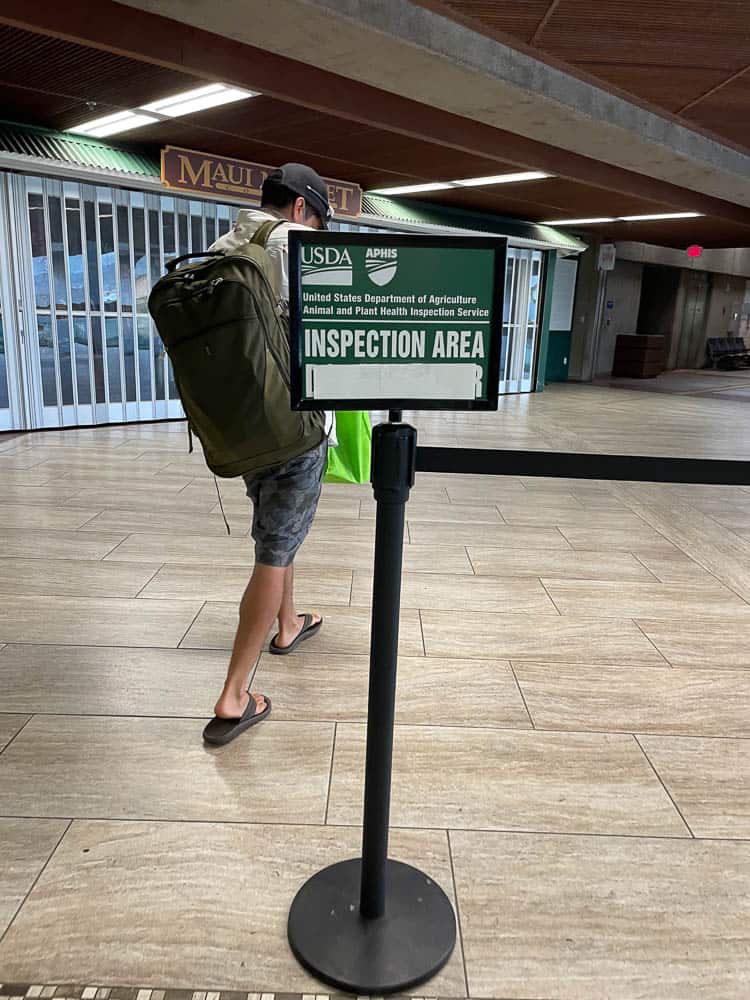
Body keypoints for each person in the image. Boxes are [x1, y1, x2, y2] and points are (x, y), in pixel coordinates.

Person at [201, 163, 334, 746]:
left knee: (280, 530)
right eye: (321, 220)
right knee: (275, 550)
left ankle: (289, 625)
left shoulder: (223, 244)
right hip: (295, 427)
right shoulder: (297, 245)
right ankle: (234, 694)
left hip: (243, 426)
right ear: (302, 209)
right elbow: (331, 333)